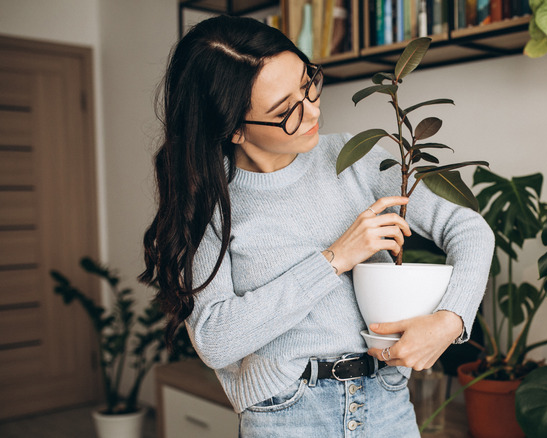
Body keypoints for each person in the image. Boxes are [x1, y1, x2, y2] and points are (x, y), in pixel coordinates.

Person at [139, 15, 493, 437]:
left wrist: (450, 321)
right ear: (233, 129)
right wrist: (333, 260)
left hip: (386, 402)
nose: (312, 111)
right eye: (286, 110)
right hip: (285, 414)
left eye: (307, 84)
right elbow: (215, 339)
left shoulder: (353, 156)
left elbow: (470, 229)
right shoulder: (210, 202)